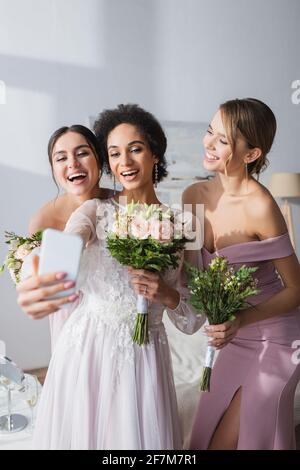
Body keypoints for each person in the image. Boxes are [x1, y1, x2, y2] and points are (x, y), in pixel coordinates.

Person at [23, 104, 208, 450]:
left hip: (148, 354)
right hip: (88, 350)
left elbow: (193, 319)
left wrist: (167, 294)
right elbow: (70, 242)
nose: (125, 162)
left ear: (155, 153)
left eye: (135, 149)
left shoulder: (186, 224)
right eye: (114, 153)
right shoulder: (94, 211)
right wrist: (43, 266)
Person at [186, 98, 300, 450]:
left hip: (277, 338)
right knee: (204, 436)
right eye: (209, 131)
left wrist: (239, 319)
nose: (208, 143)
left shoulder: (261, 206)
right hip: (235, 338)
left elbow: (296, 288)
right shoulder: (192, 196)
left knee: (235, 440)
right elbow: (192, 276)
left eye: (222, 140)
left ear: (251, 154)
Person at [18, 125, 115, 349]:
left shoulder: (122, 204)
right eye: (61, 158)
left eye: (82, 153)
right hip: (70, 329)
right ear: (54, 169)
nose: (72, 163)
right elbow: (39, 281)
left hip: (117, 325)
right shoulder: (43, 220)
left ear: (99, 158)